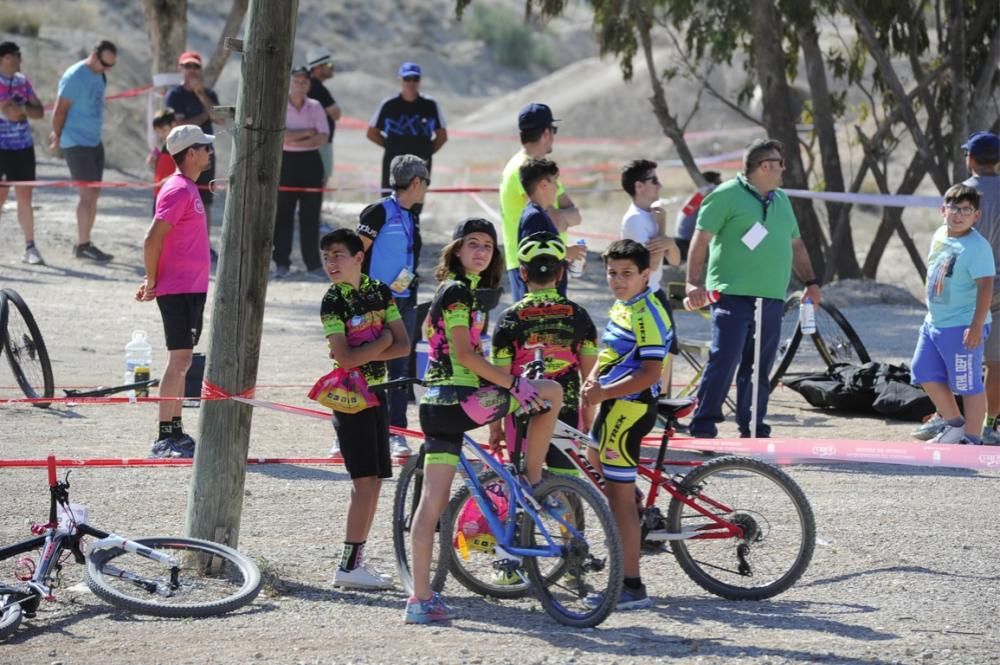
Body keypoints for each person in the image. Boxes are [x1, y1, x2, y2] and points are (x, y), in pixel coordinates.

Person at [405, 218, 563, 624]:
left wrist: (508, 385)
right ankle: (533, 478)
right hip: (458, 404)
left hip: (439, 409)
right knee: (550, 392)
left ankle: (419, 601)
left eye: (488, 246)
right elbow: (466, 355)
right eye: (472, 243)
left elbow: (470, 359)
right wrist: (514, 384)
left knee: (430, 505)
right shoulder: (458, 292)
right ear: (456, 250)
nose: (480, 251)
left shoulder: (467, 293)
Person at [685, 138, 821, 439]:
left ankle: (754, 426)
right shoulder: (725, 195)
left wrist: (811, 282)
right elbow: (701, 240)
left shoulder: (782, 199)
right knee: (725, 359)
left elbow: (796, 244)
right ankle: (704, 423)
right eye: (780, 163)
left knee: (760, 366)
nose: (784, 168)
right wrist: (693, 282)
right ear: (765, 166)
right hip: (731, 294)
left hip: (771, 297)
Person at [580, 239, 672, 610]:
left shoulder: (646, 312)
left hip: (629, 409)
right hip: (613, 402)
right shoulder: (625, 304)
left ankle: (631, 585)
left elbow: (651, 371)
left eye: (627, 274)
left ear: (645, 275)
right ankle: (637, 513)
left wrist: (603, 393)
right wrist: (595, 379)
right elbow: (614, 351)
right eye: (613, 273)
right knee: (591, 456)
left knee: (618, 501)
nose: (618, 281)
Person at [319, 228, 410, 588]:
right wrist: (384, 339)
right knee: (362, 482)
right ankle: (347, 565)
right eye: (326, 257)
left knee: (374, 482)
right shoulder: (332, 300)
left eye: (338, 255)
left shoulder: (379, 291)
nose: (330, 263)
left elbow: (404, 346)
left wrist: (374, 348)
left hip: (379, 392)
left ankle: (356, 562)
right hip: (351, 397)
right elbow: (344, 358)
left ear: (359, 258)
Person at [135, 125, 215, 459]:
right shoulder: (178, 189)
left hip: (191, 287)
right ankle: (163, 437)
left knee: (182, 362)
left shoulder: (188, 187)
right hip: (178, 288)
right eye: (205, 147)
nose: (210, 152)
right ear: (191, 153)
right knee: (179, 361)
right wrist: (151, 280)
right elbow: (152, 238)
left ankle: (176, 430)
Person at [490, 231, 598, 473]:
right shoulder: (580, 316)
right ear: (560, 273)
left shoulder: (508, 319)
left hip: (522, 412)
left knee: (528, 485)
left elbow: (498, 380)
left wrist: (495, 427)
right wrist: (588, 418)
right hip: (567, 412)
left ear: (522, 273)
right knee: (567, 489)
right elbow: (590, 379)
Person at [353, 154, 429, 458]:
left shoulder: (412, 216)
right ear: (415, 182)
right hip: (375, 303)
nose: (426, 188)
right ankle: (353, 430)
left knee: (400, 369)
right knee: (366, 365)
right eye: (426, 182)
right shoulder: (378, 212)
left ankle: (396, 432)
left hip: (405, 302)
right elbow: (354, 254)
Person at [910, 184, 995, 444]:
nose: (959, 215)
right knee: (922, 371)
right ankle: (954, 425)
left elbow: (986, 287)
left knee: (968, 384)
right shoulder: (940, 234)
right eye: (954, 208)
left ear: (976, 216)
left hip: (963, 325)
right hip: (934, 322)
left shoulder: (977, 247)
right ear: (942, 210)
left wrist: (977, 325)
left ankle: (972, 438)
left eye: (966, 210)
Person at [499, 103, 582, 300]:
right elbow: (560, 220)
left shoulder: (541, 169)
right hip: (532, 265)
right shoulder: (524, 168)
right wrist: (565, 220)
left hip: (548, 261)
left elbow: (574, 215)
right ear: (546, 133)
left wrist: (564, 218)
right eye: (554, 130)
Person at [50, 39, 117, 262]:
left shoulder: (100, 76)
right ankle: (83, 244)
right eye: (104, 64)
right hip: (76, 141)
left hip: (93, 141)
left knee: (94, 193)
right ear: (94, 54)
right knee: (87, 194)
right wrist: (57, 136)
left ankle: (86, 242)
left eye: (110, 66)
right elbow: (59, 110)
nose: (106, 69)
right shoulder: (75, 76)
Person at [620, 159, 682, 392]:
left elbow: (675, 260)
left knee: (667, 350)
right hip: (643, 298)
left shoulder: (649, 216)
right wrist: (663, 231)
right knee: (654, 354)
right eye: (653, 180)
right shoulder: (635, 219)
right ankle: (656, 403)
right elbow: (653, 265)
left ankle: (662, 402)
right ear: (639, 186)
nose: (660, 185)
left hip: (655, 294)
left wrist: (667, 240)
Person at [272, 66, 329, 279]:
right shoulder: (279, 105)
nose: (299, 85)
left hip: (311, 162)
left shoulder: (315, 107)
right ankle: (281, 263)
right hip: (286, 163)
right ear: (289, 83)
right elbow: (280, 136)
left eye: (304, 81)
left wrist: (293, 136)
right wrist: (306, 132)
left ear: (308, 84)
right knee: (283, 215)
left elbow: (322, 136)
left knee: (311, 216)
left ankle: (313, 264)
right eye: (295, 81)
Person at [165, 51, 222, 259]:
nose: (192, 70)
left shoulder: (208, 94)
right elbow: (179, 126)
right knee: (182, 197)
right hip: (183, 155)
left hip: (205, 153)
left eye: (195, 67)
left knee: (205, 200)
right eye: (187, 66)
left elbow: (219, 119)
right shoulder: (174, 95)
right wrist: (205, 115)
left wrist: (201, 96)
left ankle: (204, 245)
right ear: (181, 69)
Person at [962, 132, 1000, 445]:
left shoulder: (961, 194)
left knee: (959, 352)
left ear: (971, 159)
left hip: (968, 285)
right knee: (996, 361)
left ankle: (952, 420)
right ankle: (989, 424)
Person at [367, 62, 447, 196]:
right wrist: (391, 147)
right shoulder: (388, 104)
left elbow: (442, 136)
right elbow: (372, 133)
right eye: (407, 79)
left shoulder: (430, 105)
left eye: (415, 79)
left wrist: (426, 152)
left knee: (415, 205)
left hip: (420, 165)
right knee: (390, 203)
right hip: (394, 164)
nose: (411, 83)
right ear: (400, 80)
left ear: (420, 81)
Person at [0, 41, 45, 265]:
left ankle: (30, 247)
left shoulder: (22, 81)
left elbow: (39, 111)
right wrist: (17, 110)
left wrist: (23, 109)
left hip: (23, 147)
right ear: (6, 57)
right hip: (1, 148)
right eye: (17, 55)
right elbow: (9, 113)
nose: (20, 59)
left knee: (25, 198)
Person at [513, 158, 570, 297]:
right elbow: (535, 259)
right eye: (555, 182)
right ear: (543, 185)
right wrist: (568, 253)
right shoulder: (534, 217)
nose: (557, 187)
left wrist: (568, 262)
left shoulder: (539, 213)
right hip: (542, 301)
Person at [305, 46, 342, 187]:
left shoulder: (307, 84)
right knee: (318, 184)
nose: (332, 68)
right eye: (329, 65)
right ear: (319, 67)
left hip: (311, 143)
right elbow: (336, 113)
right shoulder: (317, 88)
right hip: (319, 145)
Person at [675, 171, 723, 261]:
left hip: (683, 240)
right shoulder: (707, 197)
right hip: (688, 243)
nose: (722, 185)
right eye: (719, 182)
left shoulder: (697, 197)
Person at [148, 108, 177, 201]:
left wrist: (169, 179)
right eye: (158, 132)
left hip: (173, 194)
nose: (161, 135)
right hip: (159, 193)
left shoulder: (179, 147)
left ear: (173, 125)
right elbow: (156, 167)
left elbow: (184, 170)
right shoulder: (159, 147)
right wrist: (152, 162)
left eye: (164, 130)